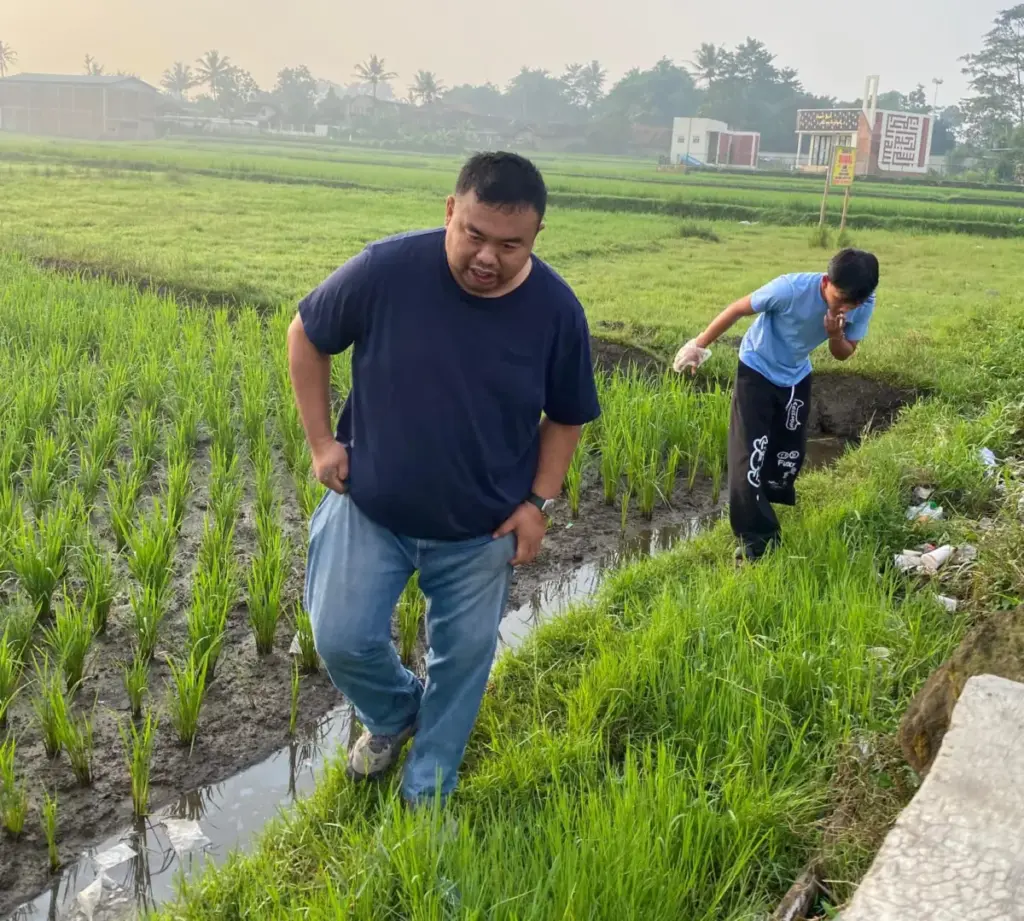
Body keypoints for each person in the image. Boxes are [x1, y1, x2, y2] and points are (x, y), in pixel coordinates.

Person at [287, 151, 601, 808]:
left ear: (536, 237)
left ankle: (426, 791)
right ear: (451, 212)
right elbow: (306, 333)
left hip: (480, 526)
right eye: (475, 235)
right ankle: (399, 710)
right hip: (370, 504)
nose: (487, 256)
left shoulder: (556, 312)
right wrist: (321, 442)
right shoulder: (387, 270)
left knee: (461, 666)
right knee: (340, 636)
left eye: (510, 244)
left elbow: (566, 417)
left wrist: (538, 503)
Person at [673, 248, 879, 562]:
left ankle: (762, 502)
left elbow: (844, 353)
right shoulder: (790, 289)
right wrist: (698, 345)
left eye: (854, 304)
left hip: (796, 374)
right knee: (749, 455)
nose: (846, 307)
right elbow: (738, 309)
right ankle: (757, 542)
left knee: (788, 454)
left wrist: (835, 334)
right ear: (826, 282)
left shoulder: (861, 302)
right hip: (756, 368)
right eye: (840, 299)